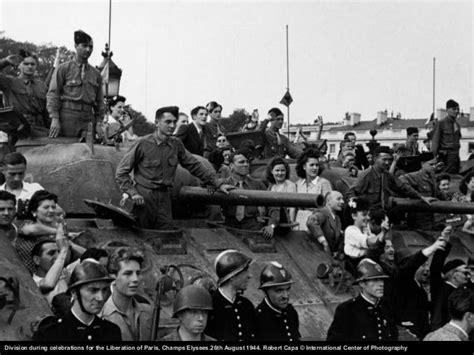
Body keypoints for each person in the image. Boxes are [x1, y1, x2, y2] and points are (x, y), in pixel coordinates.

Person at [115, 106, 234, 230]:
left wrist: (218, 184)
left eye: (174, 122)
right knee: (140, 234)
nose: (172, 125)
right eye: (168, 122)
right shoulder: (142, 143)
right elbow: (121, 172)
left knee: (167, 237)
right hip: (144, 197)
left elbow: (195, 165)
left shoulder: (176, 144)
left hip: (165, 198)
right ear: (157, 123)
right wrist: (133, 193)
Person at [33, 260, 122, 341]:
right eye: (93, 290)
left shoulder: (111, 331)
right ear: (74, 293)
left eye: (104, 290)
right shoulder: (50, 334)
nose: (101, 298)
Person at [47, 30, 104, 139]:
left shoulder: (96, 74)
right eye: (84, 46)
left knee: (88, 152)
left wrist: (99, 122)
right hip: (68, 117)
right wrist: (54, 118)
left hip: (88, 119)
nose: (88, 50)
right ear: (76, 46)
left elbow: (100, 101)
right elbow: (53, 94)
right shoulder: (63, 68)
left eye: (91, 47)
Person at [326, 258, 398, 340]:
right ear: (362, 283)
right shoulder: (347, 310)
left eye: (382, 280)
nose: (381, 284)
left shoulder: (386, 306)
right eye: (375, 280)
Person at [392, 235, 448, 339]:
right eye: (422, 265)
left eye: (427, 265)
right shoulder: (402, 282)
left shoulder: (419, 286)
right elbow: (408, 268)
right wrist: (432, 248)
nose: (427, 269)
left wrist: (444, 244)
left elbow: (435, 269)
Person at [346, 146, 432, 213]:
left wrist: (421, 197)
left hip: (382, 212)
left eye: (389, 160)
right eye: (384, 159)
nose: (387, 163)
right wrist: (358, 210)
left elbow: (403, 187)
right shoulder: (366, 175)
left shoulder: (387, 175)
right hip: (369, 213)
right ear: (375, 159)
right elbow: (351, 193)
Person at [100, 247, 152, 341]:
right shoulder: (101, 316)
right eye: (128, 273)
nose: (135, 279)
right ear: (113, 277)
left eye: (138, 273)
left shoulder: (148, 311)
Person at [205, 250, 256, 341]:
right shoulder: (210, 305)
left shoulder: (246, 305)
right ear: (232, 275)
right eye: (245, 271)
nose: (250, 275)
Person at [0, 50, 49, 137]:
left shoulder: (42, 85)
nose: (30, 66)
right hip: (19, 130)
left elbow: (46, 111)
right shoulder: (9, 82)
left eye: (32, 64)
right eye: (26, 64)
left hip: (40, 129)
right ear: (19, 65)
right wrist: (5, 61)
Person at [430, 234, 470, 331]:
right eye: (465, 273)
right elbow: (435, 267)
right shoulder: (441, 289)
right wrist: (444, 243)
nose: (468, 276)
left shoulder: (464, 290)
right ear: (453, 274)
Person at [221, 149, 267, 232]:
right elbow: (208, 192)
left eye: (247, 162)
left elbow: (273, 205)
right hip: (229, 226)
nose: (246, 165)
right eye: (241, 162)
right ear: (231, 166)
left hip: (252, 226)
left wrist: (272, 225)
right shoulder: (223, 184)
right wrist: (217, 187)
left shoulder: (257, 184)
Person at [255, 262, 301, 341]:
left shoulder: (291, 312)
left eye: (288, 289)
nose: (285, 296)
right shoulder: (258, 318)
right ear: (265, 291)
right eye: (279, 291)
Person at [294, 148, 332, 232]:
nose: (315, 168)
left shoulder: (324, 183)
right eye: (311, 165)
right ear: (304, 166)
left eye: (317, 165)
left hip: (316, 223)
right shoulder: (297, 184)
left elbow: (329, 206)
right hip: (299, 223)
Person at [32, 225, 70, 306]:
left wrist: (67, 242)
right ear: (37, 260)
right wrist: (63, 250)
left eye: (58, 252)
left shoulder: (64, 273)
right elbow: (48, 284)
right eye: (51, 253)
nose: (57, 257)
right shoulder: (33, 283)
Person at [399, 154, 440, 230]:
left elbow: (438, 193)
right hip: (419, 218)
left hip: (430, 216)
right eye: (431, 164)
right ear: (422, 164)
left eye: (435, 164)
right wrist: (420, 196)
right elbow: (401, 181)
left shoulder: (432, 177)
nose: (434, 167)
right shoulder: (416, 176)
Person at [343, 197, 388, 266]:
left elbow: (376, 242)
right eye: (364, 214)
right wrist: (383, 233)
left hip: (367, 263)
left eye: (368, 214)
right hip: (356, 265)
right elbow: (369, 242)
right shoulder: (350, 230)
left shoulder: (365, 229)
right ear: (354, 216)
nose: (368, 217)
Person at [0, 152, 44, 217]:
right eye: (12, 174)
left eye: (21, 174)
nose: (17, 179)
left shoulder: (35, 190)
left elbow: (57, 211)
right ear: (2, 170)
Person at [306, 191, 344, 258]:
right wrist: (324, 242)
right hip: (315, 255)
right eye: (338, 199)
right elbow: (311, 222)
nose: (342, 202)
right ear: (329, 201)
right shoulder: (322, 213)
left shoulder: (337, 219)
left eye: (342, 199)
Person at [265, 157, 296, 236]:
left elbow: (293, 206)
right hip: (272, 215)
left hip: (284, 217)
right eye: (277, 170)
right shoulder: (272, 186)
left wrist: (291, 221)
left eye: (282, 170)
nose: (280, 173)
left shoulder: (290, 185)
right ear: (272, 171)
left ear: (286, 171)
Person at [431, 99, 461, 174]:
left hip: (455, 156)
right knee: (444, 176)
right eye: (454, 109)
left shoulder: (457, 125)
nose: (456, 111)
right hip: (445, 157)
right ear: (447, 110)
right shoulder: (441, 123)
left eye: (458, 109)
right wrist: (434, 159)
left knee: (455, 176)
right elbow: (435, 141)